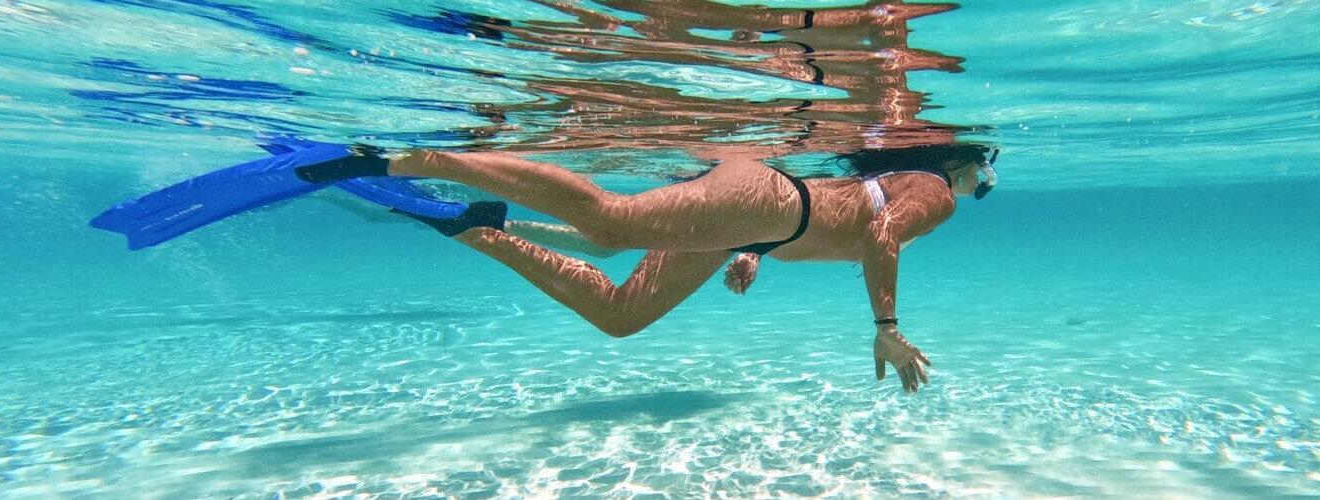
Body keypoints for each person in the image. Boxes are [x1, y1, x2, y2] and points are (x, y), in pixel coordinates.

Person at [295, 143, 999, 393]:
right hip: (770, 203)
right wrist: (886, 326)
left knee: (620, 313)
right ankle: (401, 159)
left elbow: (843, 211)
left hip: (762, 219)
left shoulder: (909, 179)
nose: (984, 182)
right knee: (609, 221)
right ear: (964, 162)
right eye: (987, 169)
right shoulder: (939, 193)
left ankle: (478, 228)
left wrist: (750, 250)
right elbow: (878, 231)